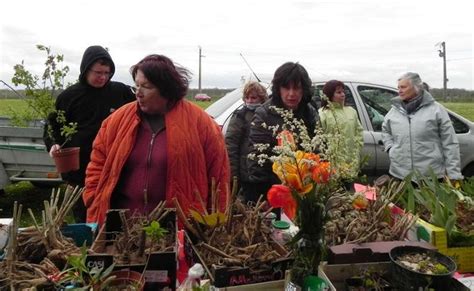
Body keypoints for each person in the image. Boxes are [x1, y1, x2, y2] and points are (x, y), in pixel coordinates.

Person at [83, 54, 230, 226]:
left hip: (179, 228)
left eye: (146, 86)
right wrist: (93, 199)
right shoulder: (117, 121)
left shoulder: (202, 125)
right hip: (122, 229)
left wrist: (215, 224)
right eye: (136, 85)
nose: (138, 92)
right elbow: (97, 165)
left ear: (166, 89)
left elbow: (219, 178)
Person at [45, 45, 135, 222]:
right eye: (98, 72)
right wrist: (53, 144)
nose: (103, 77)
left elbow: (139, 114)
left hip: (115, 164)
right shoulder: (69, 96)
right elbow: (52, 126)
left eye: (107, 73)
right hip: (80, 170)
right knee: (86, 216)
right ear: (86, 69)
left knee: (117, 215)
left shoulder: (120, 92)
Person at [247, 62, 318, 203]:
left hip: (305, 191)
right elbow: (256, 162)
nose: (291, 94)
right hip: (275, 193)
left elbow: (319, 149)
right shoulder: (264, 114)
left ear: (304, 89)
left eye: (297, 88)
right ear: (278, 89)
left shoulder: (309, 112)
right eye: (286, 88)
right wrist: (266, 198)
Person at [382, 72, 463, 181]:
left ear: (417, 88)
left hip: (430, 176)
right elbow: (386, 130)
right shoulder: (394, 110)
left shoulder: (436, 110)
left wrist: (454, 174)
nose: (399, 91)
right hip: (400, 175)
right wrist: (391, 148)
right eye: (398, 87)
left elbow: (450, 143)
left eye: (403, 87)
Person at [225, 81, 268, 201]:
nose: (250, 100)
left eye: (254, 97)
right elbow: (230, 146)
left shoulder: (268, 115)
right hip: (246, 175)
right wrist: (234, 176)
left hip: (265, 174)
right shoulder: (240, 116)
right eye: (247, 97)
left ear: (262, 98)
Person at [319, 80, 363, 184]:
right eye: (338, 92)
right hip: (332, 163)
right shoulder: (322, 114)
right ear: (330, 95)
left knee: (348, 193)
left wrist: (356, 148)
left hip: (350, 162)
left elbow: (359, 131)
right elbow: (319, 137)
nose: (342, 94)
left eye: (343, 92)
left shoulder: (351, 111)